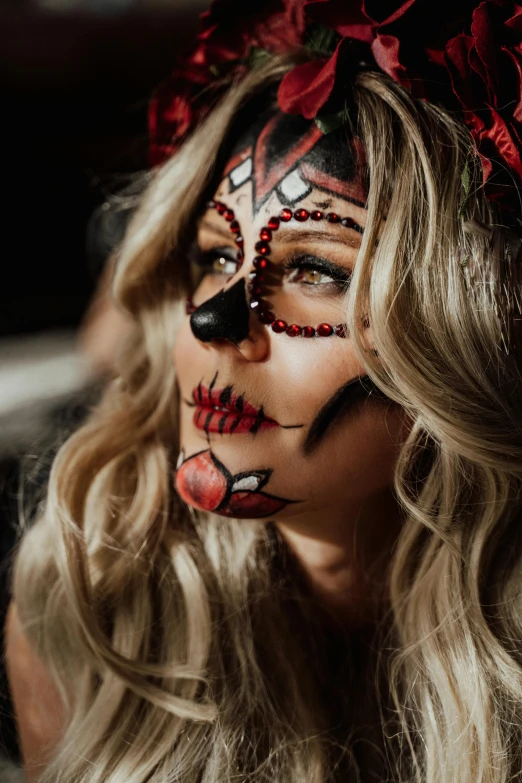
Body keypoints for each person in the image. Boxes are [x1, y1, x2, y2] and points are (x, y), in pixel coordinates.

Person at [5, 1, 522, 781]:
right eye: (214, 258)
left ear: (471, 337)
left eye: (314, 270)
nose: (213, 318)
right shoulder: (90, 605)